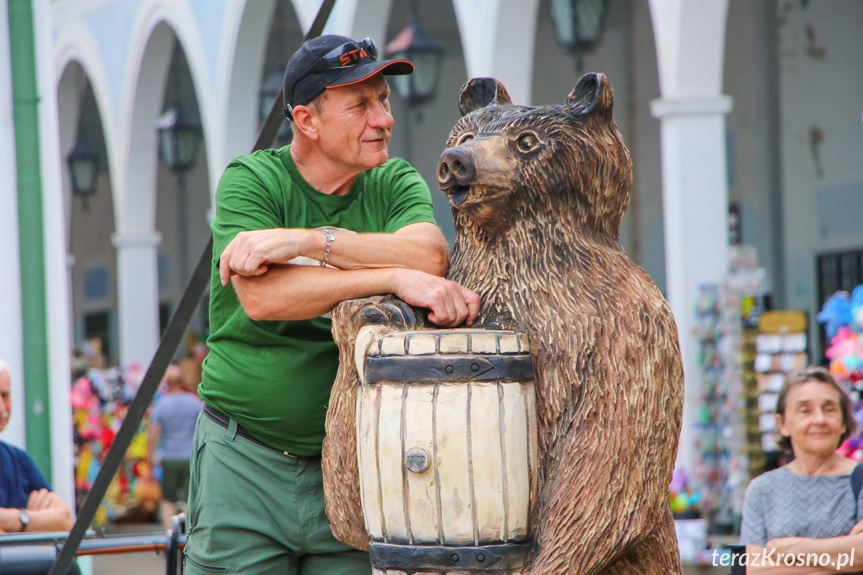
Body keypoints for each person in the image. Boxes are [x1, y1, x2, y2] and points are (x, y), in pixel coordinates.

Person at [183, 34, 479, 575]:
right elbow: (264, 296)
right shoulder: (252, 180)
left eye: (384, 99)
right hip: (243, 463)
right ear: (307, 120)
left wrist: (306, 242)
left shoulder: (393, 180)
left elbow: (429, 256)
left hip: (355, 468)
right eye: (360, 105)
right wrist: (390, 276)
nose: (383, 119)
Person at [740, 366, 863, 573]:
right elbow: (751, 568)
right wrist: (839, 561)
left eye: (829, 409)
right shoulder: (762, 490)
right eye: (805, 410)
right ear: (783, 423)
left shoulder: (859, 481)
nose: (819, 419)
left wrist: (794, 549)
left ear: (843, 422)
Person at [0, 359, 75, 533]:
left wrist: (17, 520)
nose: (2, 408)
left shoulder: (19, 459)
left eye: (5, 395)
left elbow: (65, 521)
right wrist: (36, 523)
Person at [148, 362, 202, 529]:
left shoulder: (161, 404)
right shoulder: (194, 402)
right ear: (182, 382)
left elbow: (153, 434)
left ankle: (169, 537)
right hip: (190, 457)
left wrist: (150, 457)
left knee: (167, 500)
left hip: (169, 457)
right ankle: (189, 536)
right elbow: (202, 429)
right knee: (189, 498)